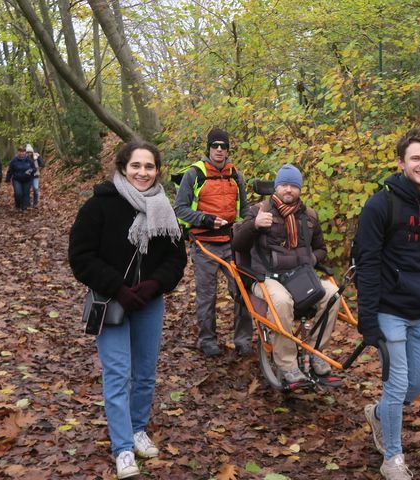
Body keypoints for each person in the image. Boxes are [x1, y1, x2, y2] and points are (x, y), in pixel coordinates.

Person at [69, 140, 187, 479]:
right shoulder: (99, 206)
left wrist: (153, 286)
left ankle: (138, 429)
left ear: (157, 171)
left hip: (149, 303)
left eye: (149, 167)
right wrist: (118, 288)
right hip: (111, 302)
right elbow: (80, 256)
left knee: (146, 372)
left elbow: (176, 258)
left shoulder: (164, 207)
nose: (143, 172)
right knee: (118, 373)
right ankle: (122, 448)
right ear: (123, 167)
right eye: (136, 165)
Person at [352, 127, 420, 480]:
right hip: (388, 308)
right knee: (397, 384)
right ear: (401, 162)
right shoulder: (380, 205)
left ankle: (380, 414)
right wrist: (368, 322)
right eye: (416, 158)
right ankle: (392, 457)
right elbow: (366, 265)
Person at [232, 164, 341, 385]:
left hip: (301, 275)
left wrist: (311, 259)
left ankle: (315, 353)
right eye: (283, 185)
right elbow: (238, 245)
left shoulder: (309, 216)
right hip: (266, 278)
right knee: (281, 301)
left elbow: (321, 249)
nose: (288, 190)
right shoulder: (259, 211)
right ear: (276, 187)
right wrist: (254, 226)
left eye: (293, 185)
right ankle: (288, 364)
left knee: (333, 295)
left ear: (299, 189)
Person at [174, 127, 253, 357]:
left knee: (242, 290)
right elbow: (179, 209)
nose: (219, 150)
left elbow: (245, 209)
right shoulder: (194, 174)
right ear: (208, 148)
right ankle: (207, 340)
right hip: (204, 244)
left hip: (232, 243)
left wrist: (252, 224)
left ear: (228, 150)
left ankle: (243, 340)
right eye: (215, 145)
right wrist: (206, 219)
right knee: (207, 296)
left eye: (224, 146)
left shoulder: (235, 174)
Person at [5, 146, 35, 212]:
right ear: (18, 152)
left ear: (25, 152)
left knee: (26, 193)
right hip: (17, 179)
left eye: (23, 152)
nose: (22, 153)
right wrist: (8, 179)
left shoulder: (29, 160)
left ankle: (24, 207)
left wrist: (30, 171)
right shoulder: (14, 160)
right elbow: (10, 170)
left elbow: (34, 168)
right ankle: (18, 205)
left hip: (27, 179)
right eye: (20, 152)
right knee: (18, 193)